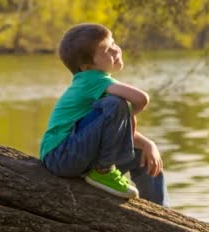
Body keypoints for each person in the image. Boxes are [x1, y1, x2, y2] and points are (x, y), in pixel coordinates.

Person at [39, 23, 169, 206]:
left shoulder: (99, 84)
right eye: (108, 50)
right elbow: (142, 99)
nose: (116, 51)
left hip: (77, 153)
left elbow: (113, 130)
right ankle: (103, 171)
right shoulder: (91, 79)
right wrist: (126, 115)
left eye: (114, 43)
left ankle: (160, 213)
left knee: (145, 157)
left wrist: (148, 144)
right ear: (87, 66)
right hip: (61, 155)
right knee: (116, 104)